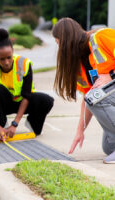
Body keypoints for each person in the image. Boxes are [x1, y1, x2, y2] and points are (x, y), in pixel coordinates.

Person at [52, 18, 115, 164]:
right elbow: (88, 98)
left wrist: (111, 76)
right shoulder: (79, 64)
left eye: (59, 43)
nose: (60, 49)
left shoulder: (102, 37)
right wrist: (80, 131)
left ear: (67, 40)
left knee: (98, 97)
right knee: (108, 147)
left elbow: (95, 98)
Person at [0, 28, 54, 141]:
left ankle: (32, 122)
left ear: (13, 52)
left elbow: (27, 95)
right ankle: (2, 122)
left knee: (47, 101)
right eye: (2, 59)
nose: (6, 62)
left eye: (9, 57)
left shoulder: (24, 64)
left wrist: (15, 123)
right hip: (4, 105)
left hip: (23, 102)